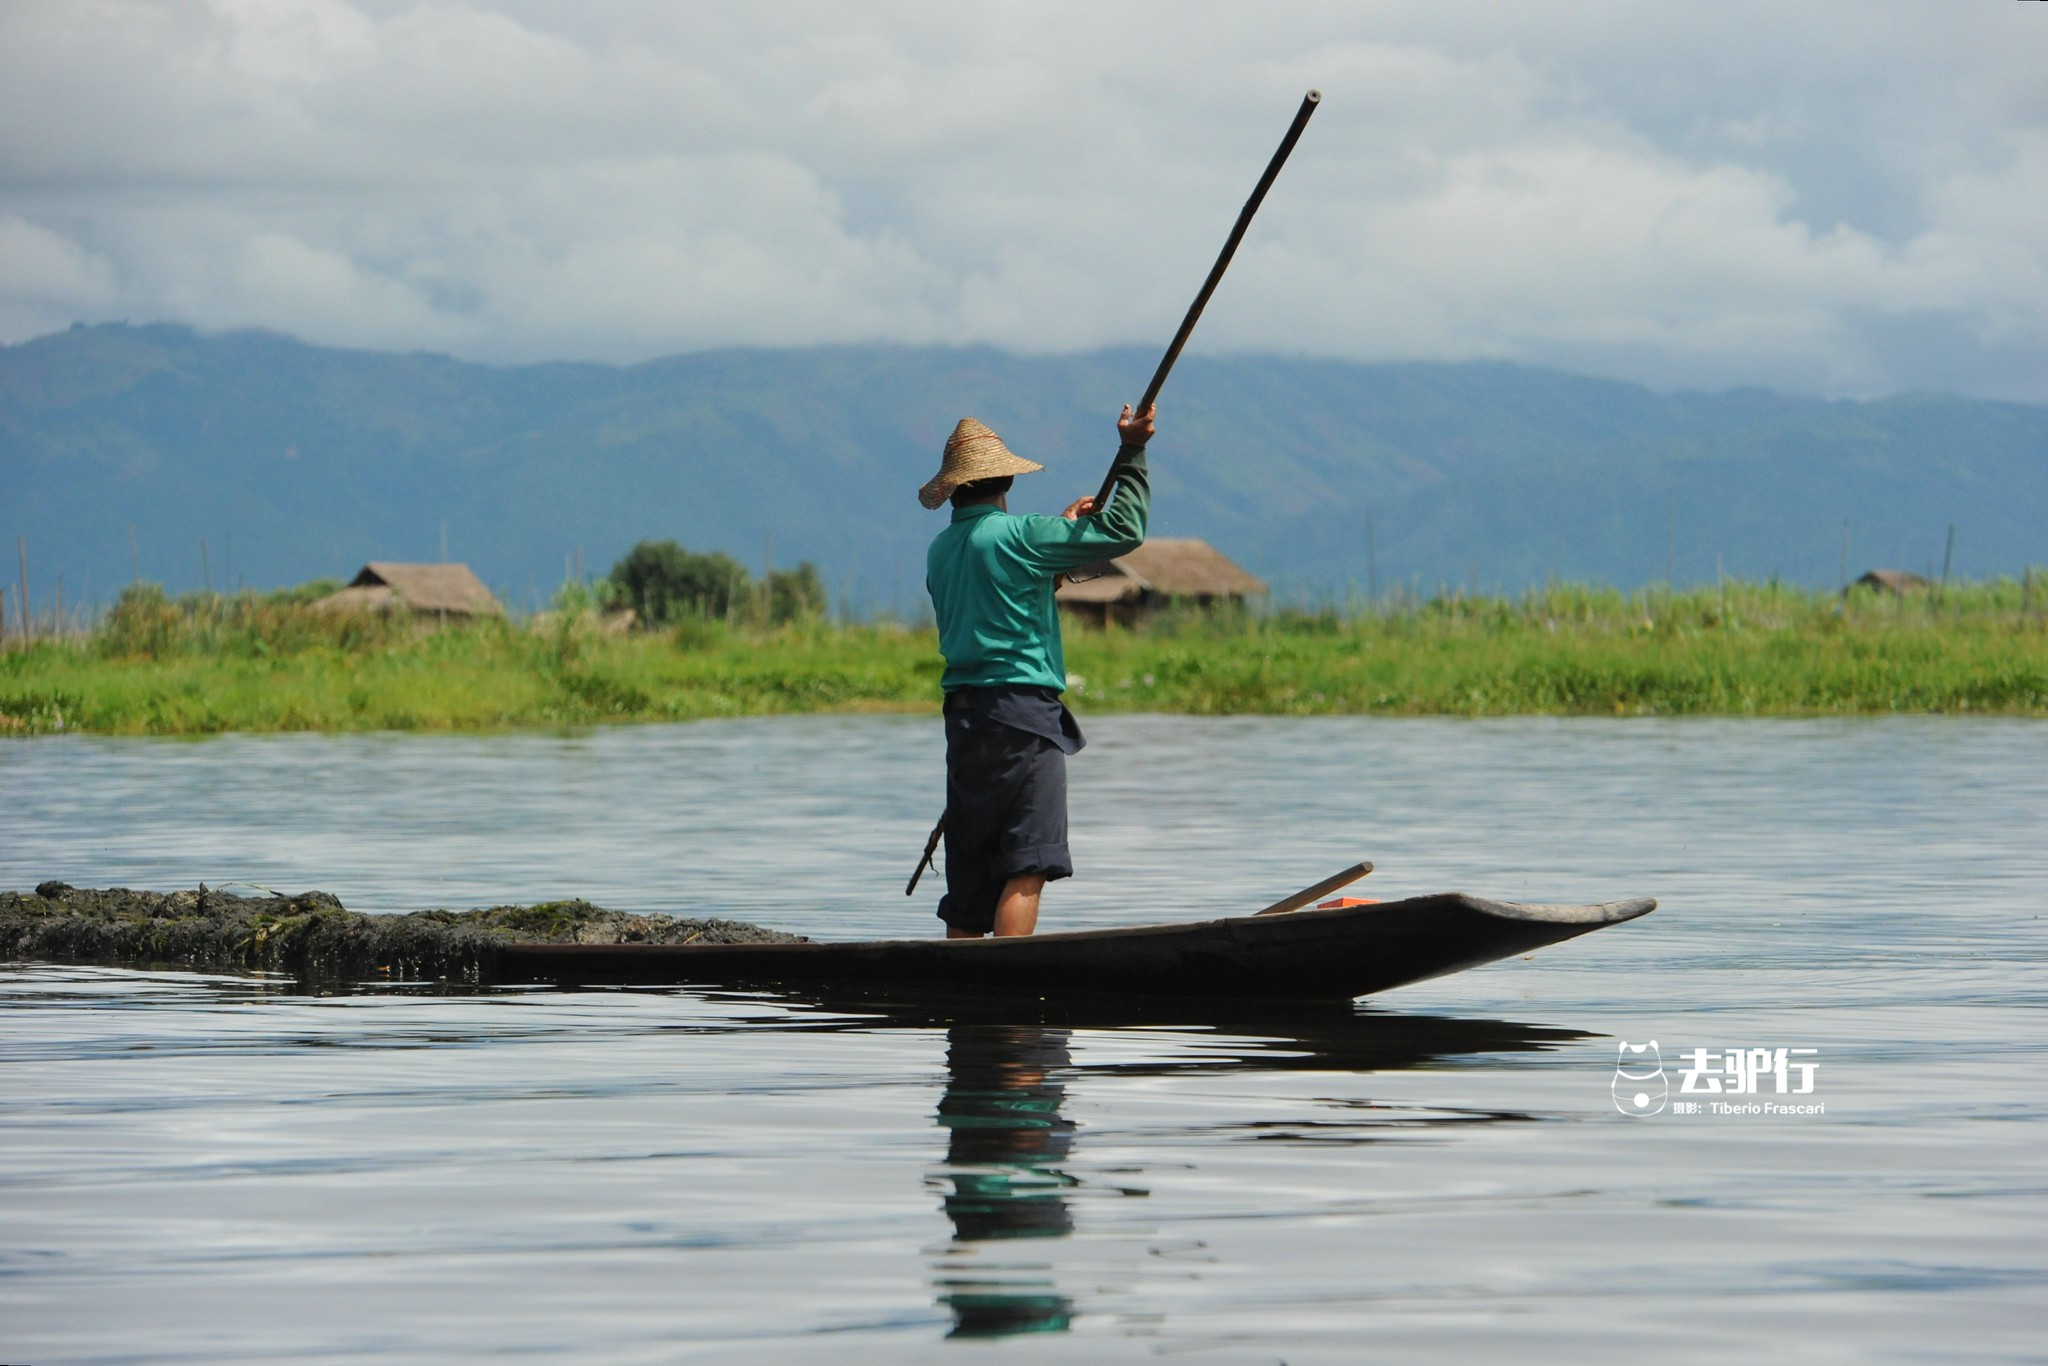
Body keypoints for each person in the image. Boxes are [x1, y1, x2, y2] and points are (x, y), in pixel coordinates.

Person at [919, 404, 1155, 938]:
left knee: (972, 879)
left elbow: (1003, 594)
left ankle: (967, 996)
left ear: (954, 489)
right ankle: (1009, 996)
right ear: (1005, 479)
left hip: (965, 723)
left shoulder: (941, 550)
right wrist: (1134, 449)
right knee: (1027, 862)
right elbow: (1124, 528)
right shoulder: (1022, 535)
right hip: (1021, 717)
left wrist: (1059, 544)